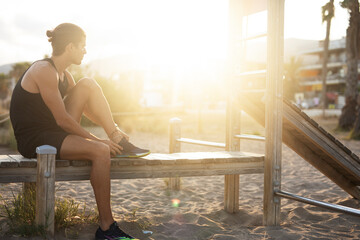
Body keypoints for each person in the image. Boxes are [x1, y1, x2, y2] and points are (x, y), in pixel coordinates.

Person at [9, 23, 149, 240]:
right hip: (35, 139)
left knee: (88, 84)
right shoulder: (44, 70)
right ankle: (106, 228)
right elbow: (63, 120)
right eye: (82, 46)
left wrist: (110, 131)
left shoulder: (65, 75)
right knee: (101, 152)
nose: (85, 50)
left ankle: (118, 137)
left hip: (53, 132)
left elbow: (86, 110)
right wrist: (96, 141)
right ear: (71, 46)